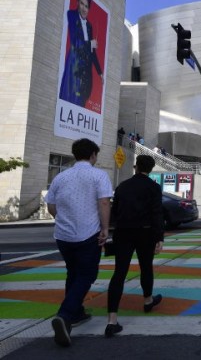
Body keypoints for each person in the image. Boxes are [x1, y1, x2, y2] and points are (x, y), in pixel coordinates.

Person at [45, 138, 112, 347]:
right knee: (87, 274)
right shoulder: (98, 175)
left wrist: (62, 220)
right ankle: (64, 315)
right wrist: (105, 228)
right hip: (87, 234)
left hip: (63, 236)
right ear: (93, 155)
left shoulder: (61, 176)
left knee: (72, 273)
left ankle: (77, 312)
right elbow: (103, 202)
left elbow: (51, 205)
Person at [105, 155, 164, 337]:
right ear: (151, 169)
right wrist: (159, 237)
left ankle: (112, 320)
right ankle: (147, 301)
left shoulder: (122, 186)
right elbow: (157, 214)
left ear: (135, 167)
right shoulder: (154, 187)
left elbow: (114, 213)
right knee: (146, 267)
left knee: (119, 273)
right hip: (145, 233)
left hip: (123, 232)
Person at [59, 0, 104, 108]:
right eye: (82, 4)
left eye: (87, 6)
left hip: (86, 74)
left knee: (81, 104)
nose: (84, 9)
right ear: (78, 3)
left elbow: (92, 52)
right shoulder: (72, 15)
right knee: (70, 102)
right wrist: (90, 43)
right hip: (74, 68)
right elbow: (74, 40)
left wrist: (100, 73)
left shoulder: (89, 26)